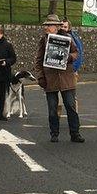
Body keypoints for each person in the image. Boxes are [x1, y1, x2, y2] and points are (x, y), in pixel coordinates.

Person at [34, 14, 84, 143]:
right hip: (50, 78)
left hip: (67, 78)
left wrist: (69, 58)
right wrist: (40, 77)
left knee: (71, 107)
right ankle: (54, 133)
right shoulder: (43, 40)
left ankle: (75, 133)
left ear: (56, 27)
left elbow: (76, 52)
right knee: (52, 109)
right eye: (46, 25)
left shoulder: (67, 38)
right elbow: (38, 60)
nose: (46, 28)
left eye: (49, 25)